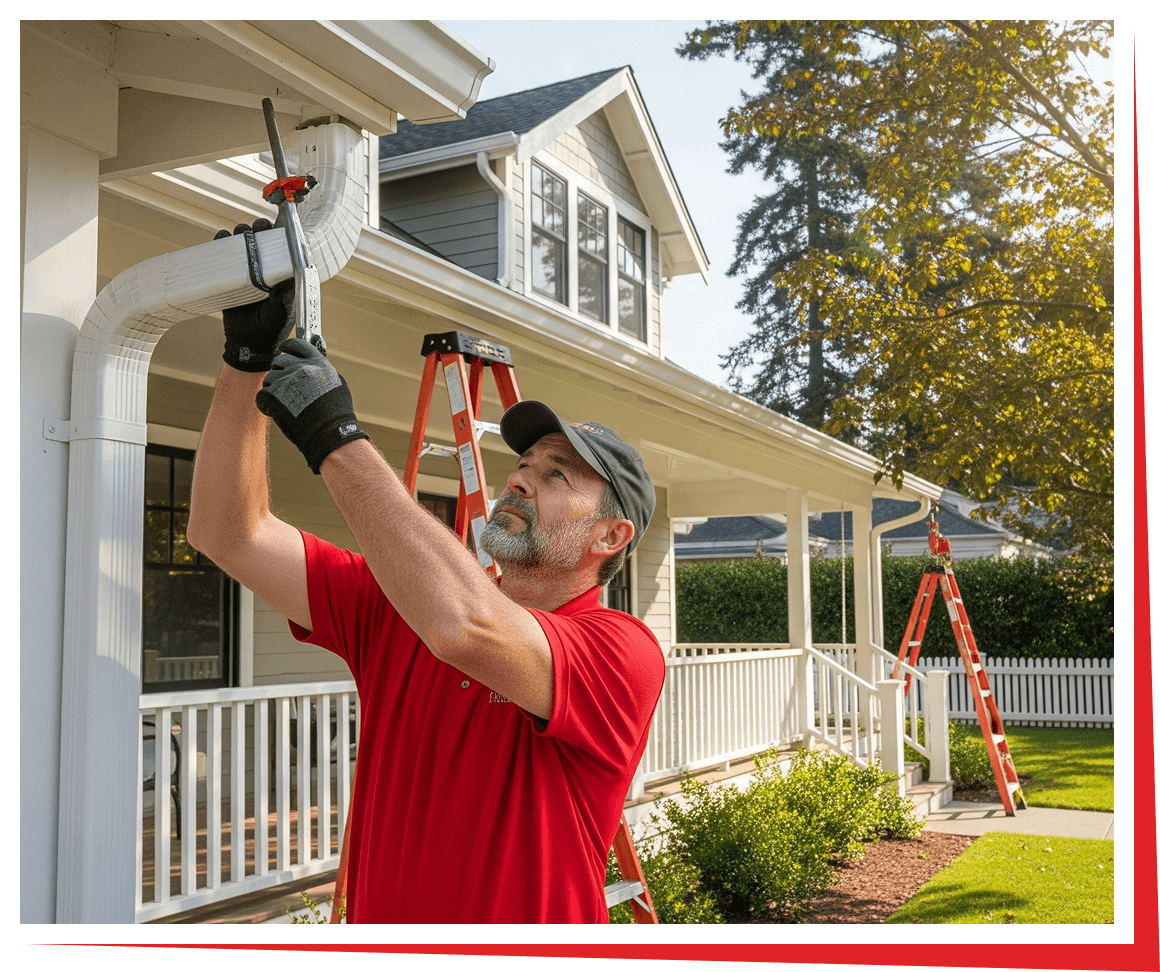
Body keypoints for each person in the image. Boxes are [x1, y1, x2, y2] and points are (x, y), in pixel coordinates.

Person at [187, 263, 665, 923]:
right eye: (523, 465)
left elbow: (468, 627)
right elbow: (228, 532)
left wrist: (335, 437)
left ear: (610, 536)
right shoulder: (398, 604)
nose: (520, 481)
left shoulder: (621, 651)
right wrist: (246, 364)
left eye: (557, 476)